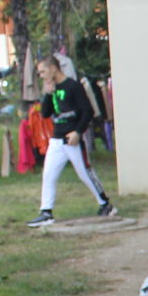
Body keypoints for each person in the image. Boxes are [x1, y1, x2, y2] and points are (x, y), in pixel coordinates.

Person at [27, 55, 116, 227]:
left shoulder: (73, 87)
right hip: (57, 139)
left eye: (43, 71)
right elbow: (45, 114)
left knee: (85, 173)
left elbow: (87, 111)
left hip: (72, 139)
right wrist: (47, 94)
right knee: (48, 176)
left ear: (53, 68)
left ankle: (105, 204)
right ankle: (46, 211)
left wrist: (78, 131)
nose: (42, 76)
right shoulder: (52, 88)